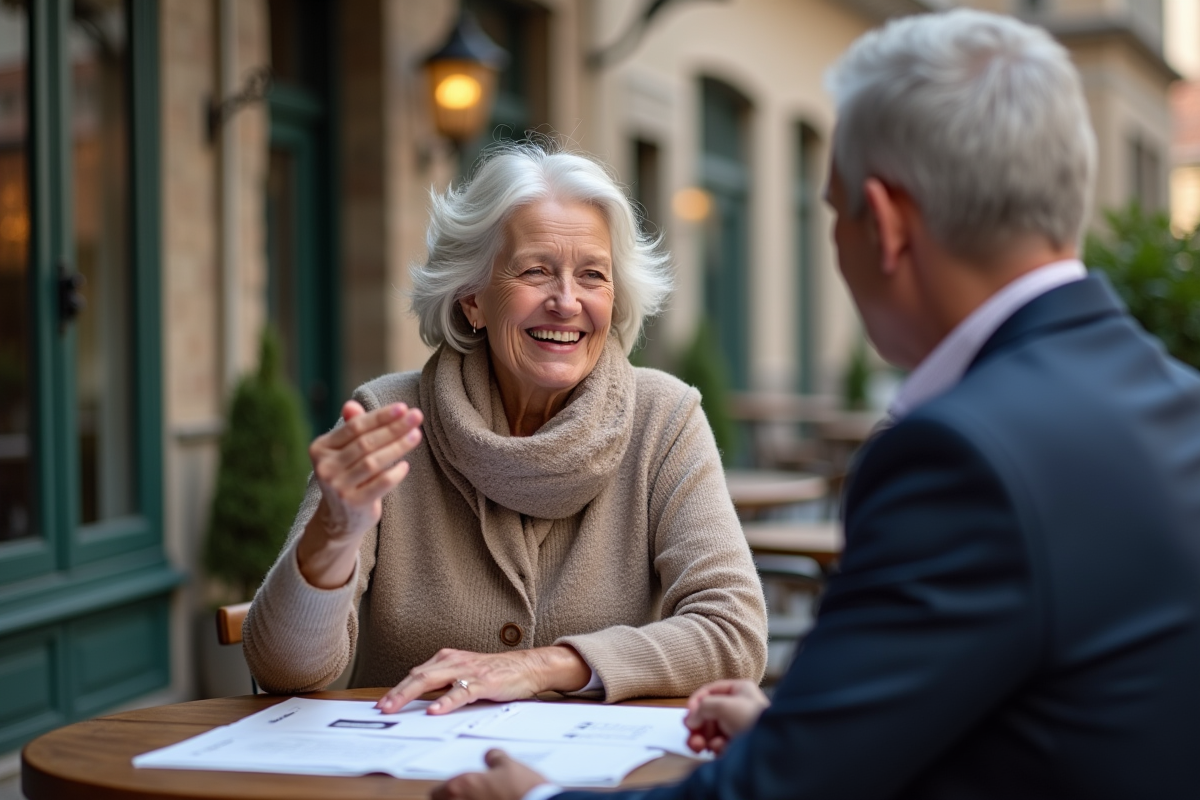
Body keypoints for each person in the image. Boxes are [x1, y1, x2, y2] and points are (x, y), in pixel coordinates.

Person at [434, 10, 1200, 800]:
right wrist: (808, 729)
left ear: (889, 225)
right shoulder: (1180, 405)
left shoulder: (960, 457)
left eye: (834, 211)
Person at [241, 142, 768, 712]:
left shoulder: (664, 419)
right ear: (472, 298)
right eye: (536, 270)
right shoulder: (386, 421)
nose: (566, 302)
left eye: (592, 275)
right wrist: (332, 535)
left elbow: (733, 631)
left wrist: (544, 666)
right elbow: (284, 672)